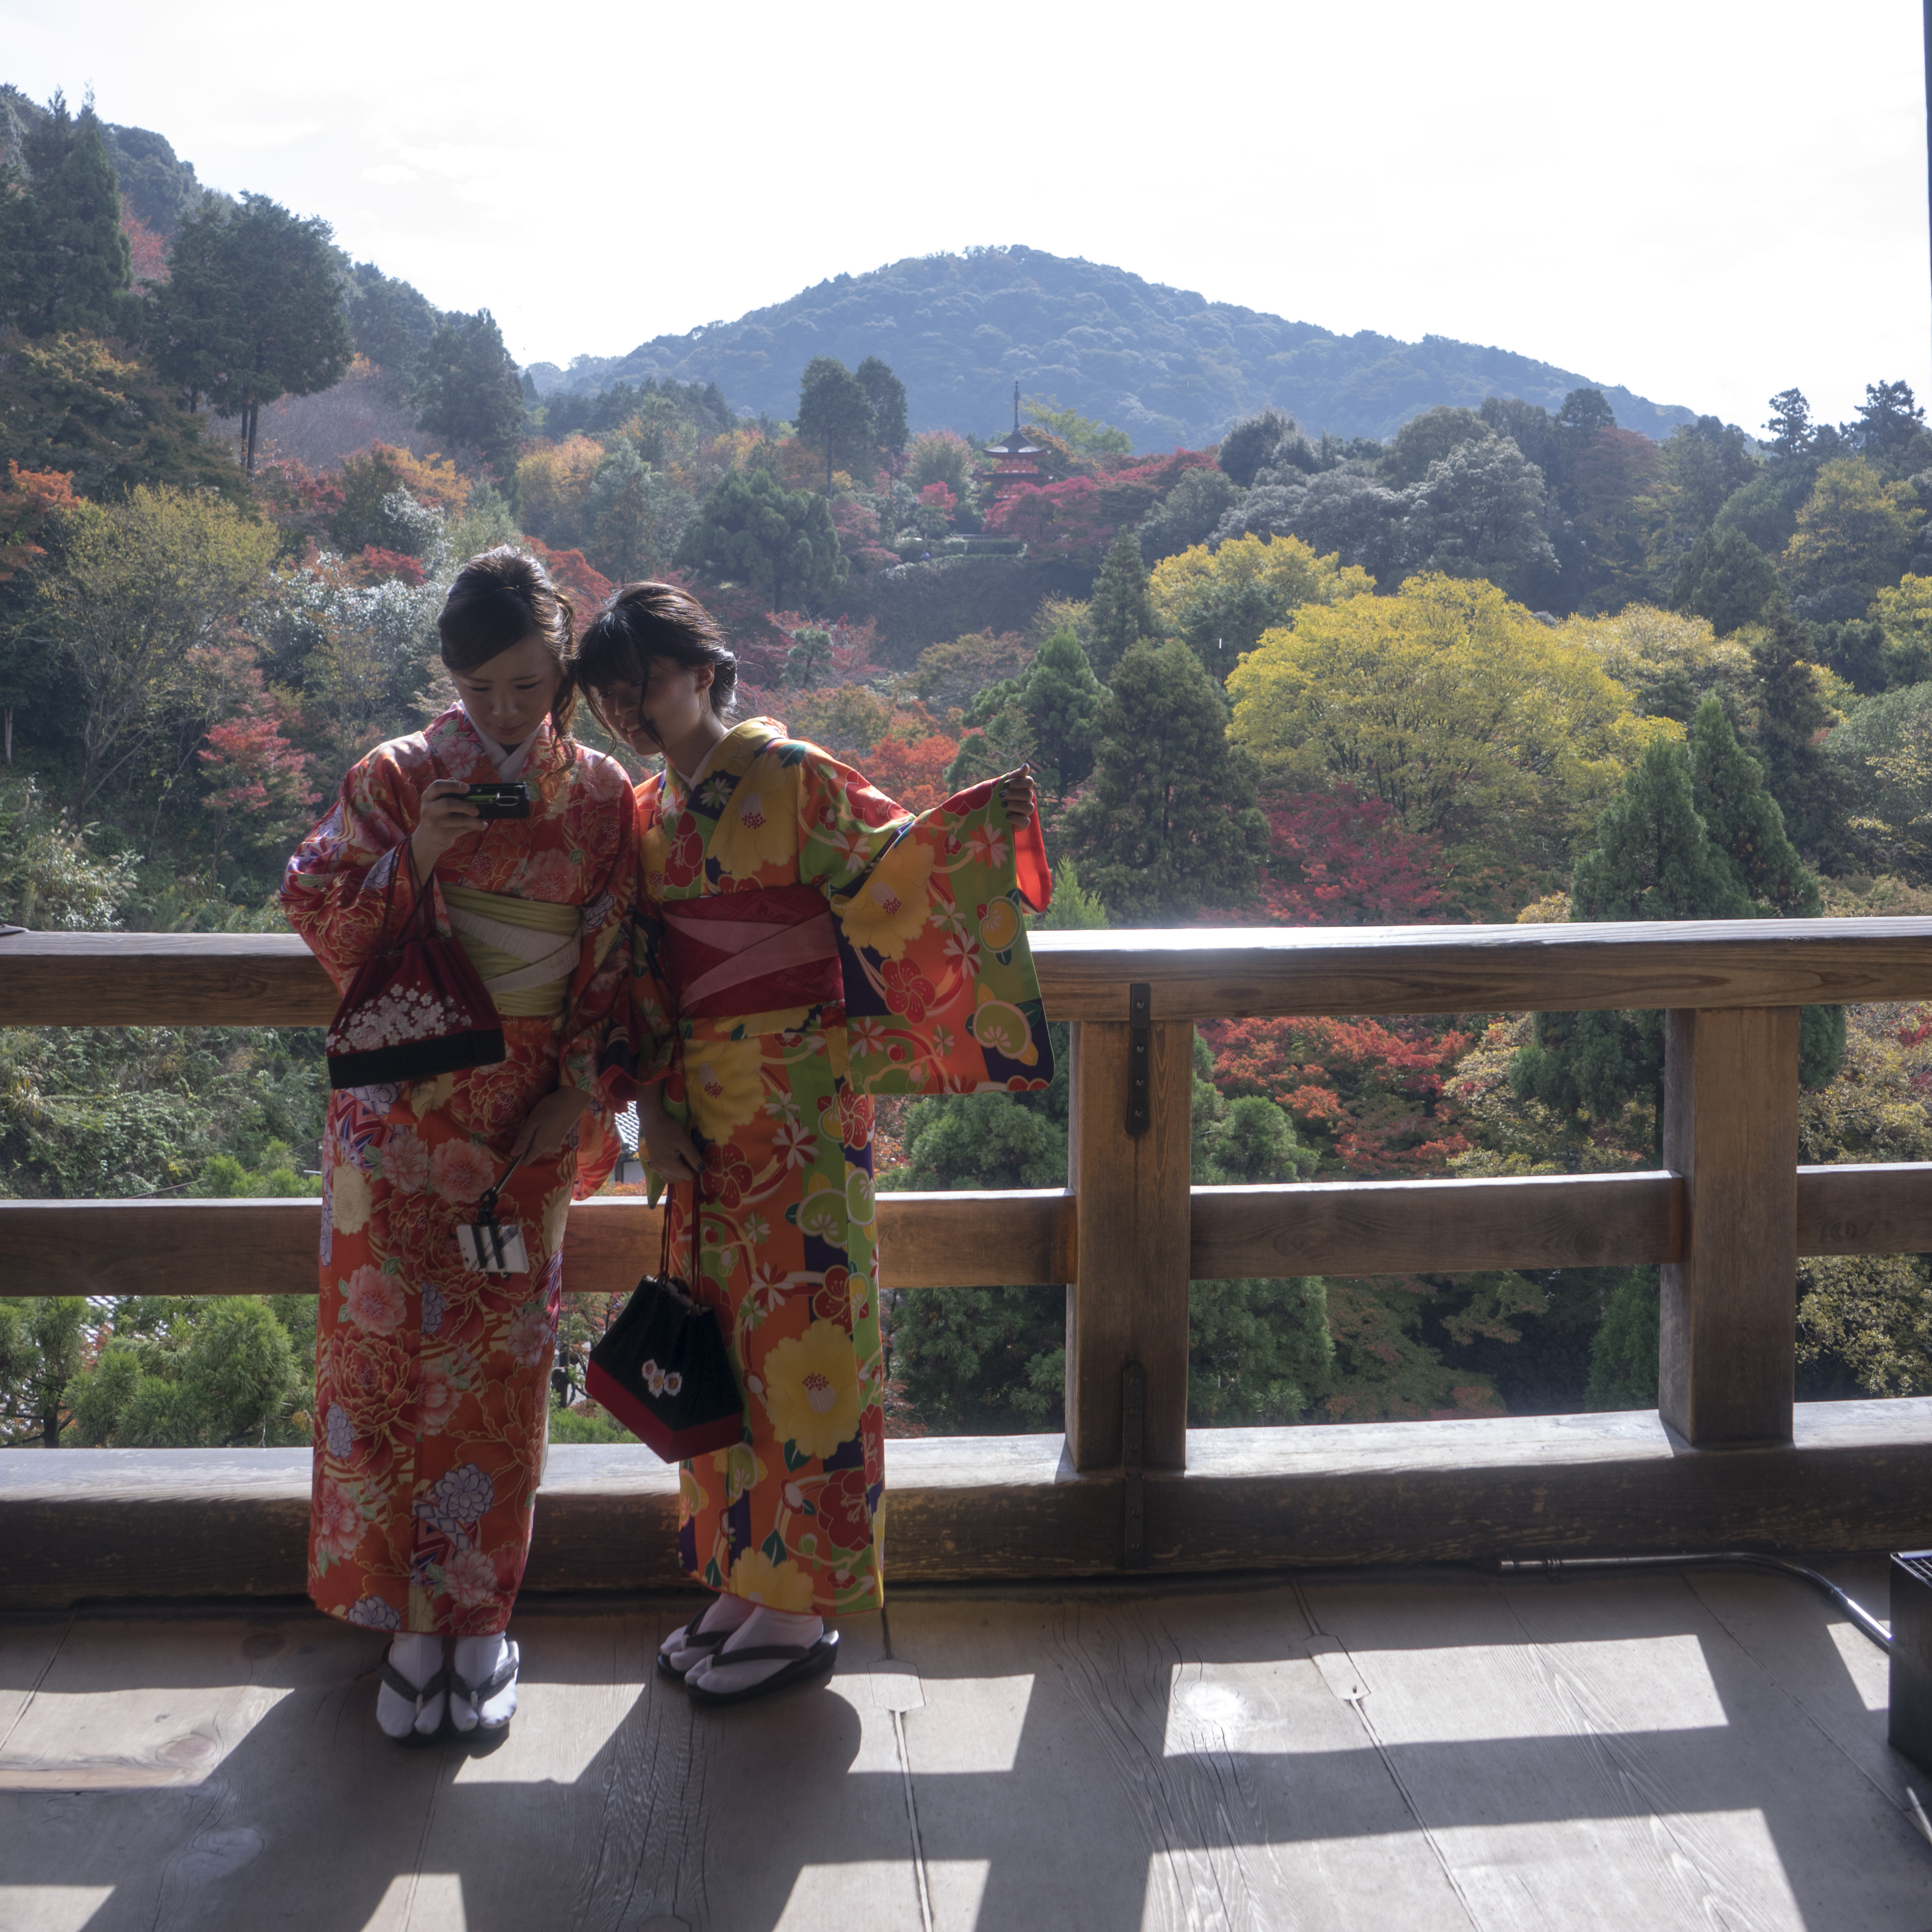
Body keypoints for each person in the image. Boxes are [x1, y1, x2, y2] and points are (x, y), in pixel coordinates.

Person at [580, 582, 1053, 1706]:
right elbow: (643, 969)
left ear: (702, 668)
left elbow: (898, 880)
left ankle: (799, 1609)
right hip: (698, 1111)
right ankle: (747, 1576)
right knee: (724, 1339)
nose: (630, 711)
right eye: (609, 696)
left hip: (798, 1099)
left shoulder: (791, 778)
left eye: (644, 680)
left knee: (808, 1338)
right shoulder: (649, 813)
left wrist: (981, 844)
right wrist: (653, 1111)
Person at [282, 548, 639, 1744]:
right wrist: (415, 858)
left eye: (529, 687)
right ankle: (404, 1623)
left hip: (515, 1125)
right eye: (482, 686)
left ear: (564, 679)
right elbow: (317, 906)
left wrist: (579, 1095)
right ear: (453, 672)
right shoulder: (392, 775)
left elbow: (611, 957)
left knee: (498, 1367)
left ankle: (478, 1619)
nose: (503, 712)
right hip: (394, 1124)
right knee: (379, 1362)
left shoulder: (596, 797)